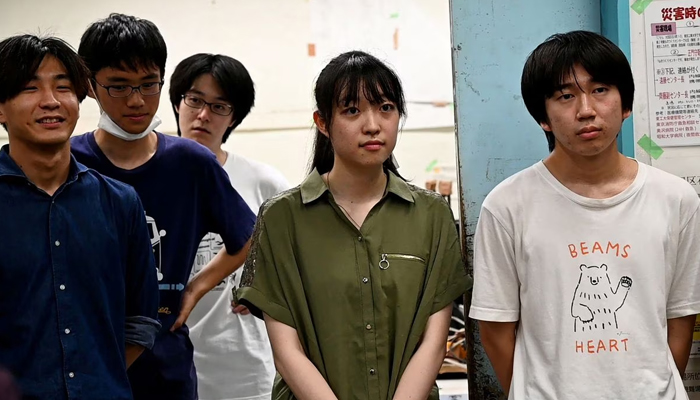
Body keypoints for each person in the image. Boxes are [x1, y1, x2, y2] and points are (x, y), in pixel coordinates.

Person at [470, 30, 700, 399]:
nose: (586, 110)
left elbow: (680, 319)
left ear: (625, 104)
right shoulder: (507, 205)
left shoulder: (676, 199)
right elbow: (495, 329)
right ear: (542, 117)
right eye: (565, 96)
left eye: (600, 90)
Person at [236, 50, 471, 400]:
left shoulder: (431, 215)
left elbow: (434, 342)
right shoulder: (282, 218)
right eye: (352, 110)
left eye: (386, 108)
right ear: (322, 122)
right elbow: (287, 352)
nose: (373, 124)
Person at [71, 14, 256, 400]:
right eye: (119, 87)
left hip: (166, 366)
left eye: (148, 84)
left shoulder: (190, 163)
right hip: (82, 364)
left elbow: (250, 235)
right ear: (90, 86)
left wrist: (195, 289)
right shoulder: (70, 160)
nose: (137, 100)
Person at [0, 34, 160, 399]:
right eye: (29, 88)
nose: (51, 102)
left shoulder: (120, 202)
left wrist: (95, 379)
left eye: (64, 88)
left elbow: (141, 322)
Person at [169, 53, 290, 400]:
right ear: (178, 102)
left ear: (234, 117)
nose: (203, 115)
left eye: (219, 106)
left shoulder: (264, 182)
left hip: (246, 369)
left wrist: (267, 289)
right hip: (166, 365)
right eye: (194, 100)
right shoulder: (148, 178)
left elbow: (298, 266)